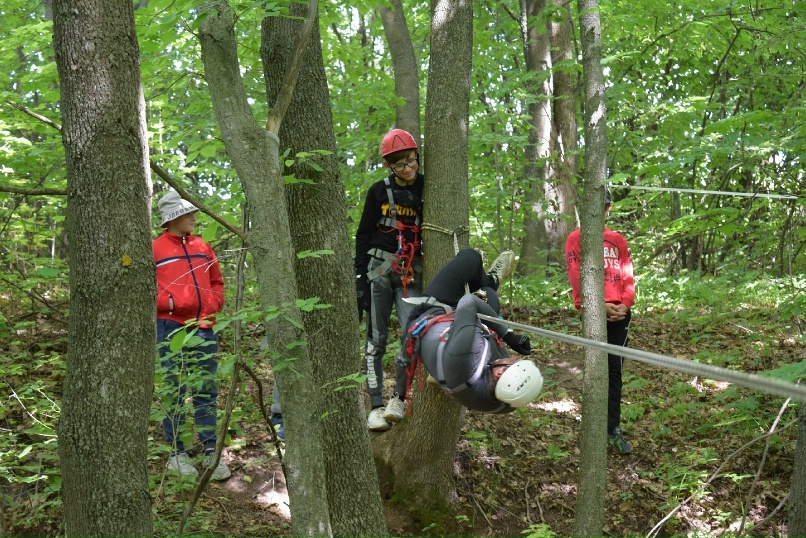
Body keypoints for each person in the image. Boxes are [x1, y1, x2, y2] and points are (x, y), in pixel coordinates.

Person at [396, 248, 542, 414]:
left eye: (513, 362)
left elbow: (468, 301)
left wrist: (508, 335)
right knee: (490, 295)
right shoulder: (504, 402)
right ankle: (488, 282)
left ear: (500, 373)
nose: (514, 357)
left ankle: (490, 279)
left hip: (433, 314)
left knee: (471, 258)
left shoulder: (470, 349)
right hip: (451, 365)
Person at [153, 190, 231, 480]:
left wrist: (214, 303)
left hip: (205, 326)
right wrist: (169, 303)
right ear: (174, 217)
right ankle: (177, 454)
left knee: (205, 388)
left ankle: (212, 452)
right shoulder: (155, 248)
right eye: (189, 214)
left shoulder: (202, 245)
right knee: (174, 390)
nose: (194, 218)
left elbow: (216, 281)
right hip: (171, 326)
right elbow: (148, 288)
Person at [354, 128, 426, 431]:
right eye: (399, 165)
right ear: (389, 167)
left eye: (410, 162)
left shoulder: (426, 187)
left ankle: (399, 397)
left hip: (412, 271)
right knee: (376, 339)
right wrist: (358, 279)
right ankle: (375, 405)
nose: (407, 169)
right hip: (379, 270)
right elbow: (363, 233)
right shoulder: (378, 191)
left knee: (413, 334)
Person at [564, 188, 635, 454]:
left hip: (619, 313)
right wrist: (594, 306)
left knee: (614, 371)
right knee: (596, 371)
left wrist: (625, 305)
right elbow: (575, 275)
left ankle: (612, 428)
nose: (598, 212)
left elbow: (628, 277)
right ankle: (592, 428)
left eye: (603, 207)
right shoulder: (575, 239)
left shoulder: (618, 240)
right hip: (594, 311)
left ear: (608, 208)